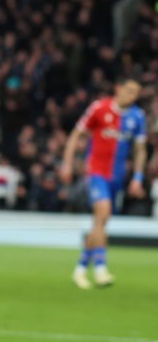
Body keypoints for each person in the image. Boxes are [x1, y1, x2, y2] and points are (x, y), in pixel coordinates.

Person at [60, 78, 147, 289]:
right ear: (118, 88)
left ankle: (80, 269)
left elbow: (140, 150)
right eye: (129, 90)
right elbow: (75, 135)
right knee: (104, 213)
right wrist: (67, 164)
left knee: (100, 223)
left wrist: (137, 178)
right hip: (97, 172)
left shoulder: (137, 117)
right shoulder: (99, 108)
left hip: (117, 177)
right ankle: (101, 269)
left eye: (136, 93)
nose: (132, 96)